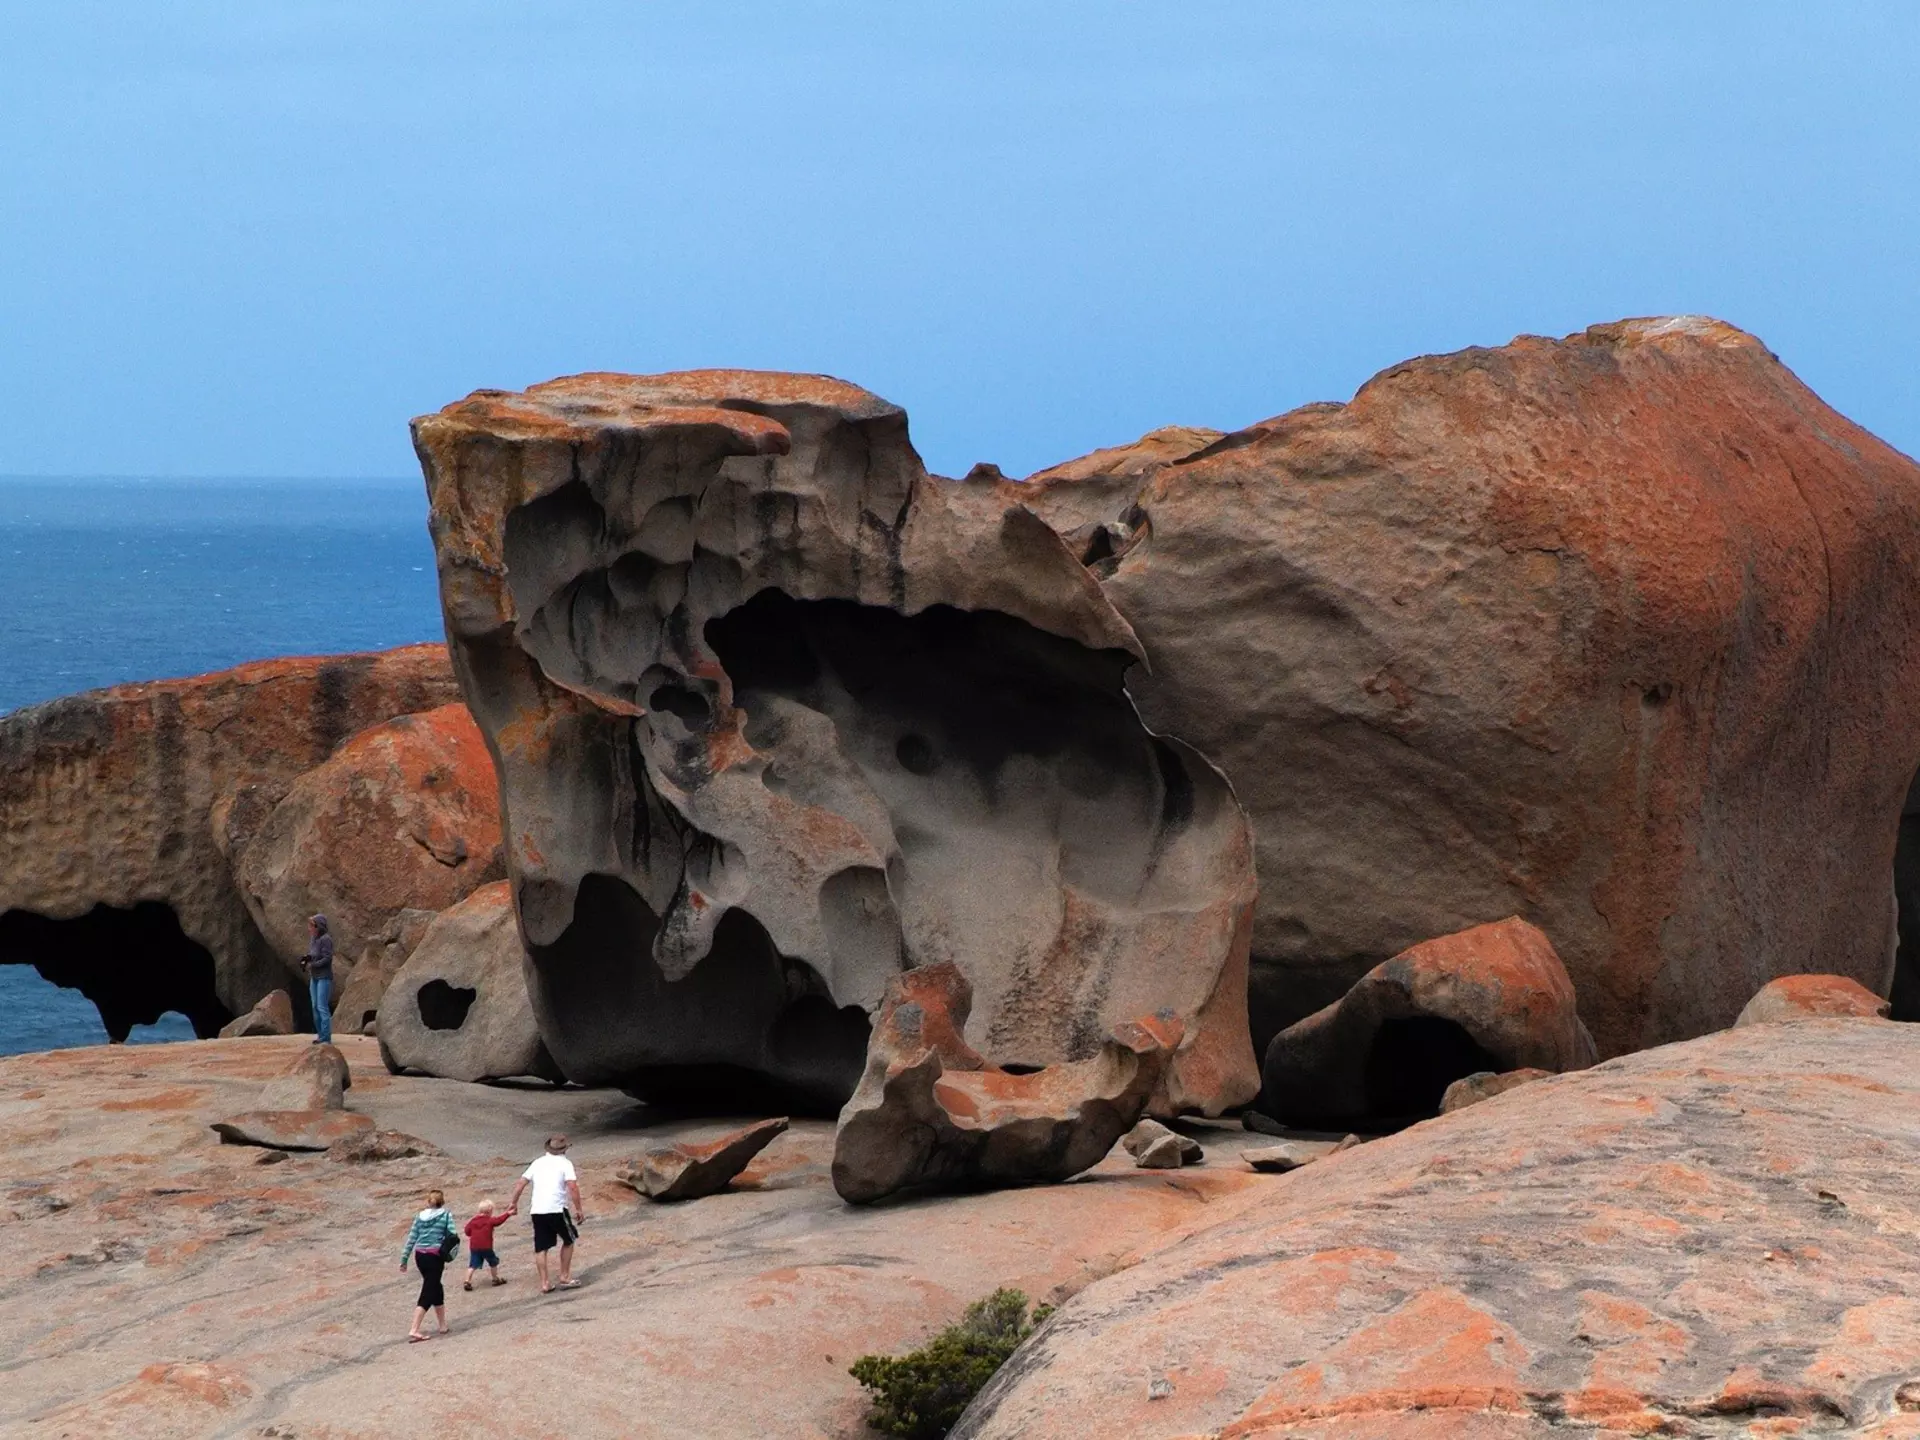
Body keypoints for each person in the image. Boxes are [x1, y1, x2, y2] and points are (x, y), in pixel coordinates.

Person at [508, 1133, 586, 1294]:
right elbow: (572, 1186)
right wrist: (578, 1208)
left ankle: (545, 1283)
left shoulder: (537, 1163)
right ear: (565, 1149)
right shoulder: (565, 1164)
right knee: (569, 1239)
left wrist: (513, 1203)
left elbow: (521, 1183)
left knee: (541, 1247)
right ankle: (564, 1276)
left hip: (537, 1210)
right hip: (557, 1208)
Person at [399, 1188, 459, 1342]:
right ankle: (414, 1329)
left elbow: (412, 1238)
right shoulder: (445, 1215)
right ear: (442, 1202)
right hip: (435, 1257)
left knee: (435, 1286)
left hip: (420, 1256)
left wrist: (404, 1259)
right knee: (428, 1290)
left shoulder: (419, 1217)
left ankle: (443, 1325)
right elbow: (453, 1235)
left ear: (428, 1201)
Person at [462, 1197, 516, 1291]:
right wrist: (508, 1213)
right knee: (493, 1262)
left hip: (474, 1247)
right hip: (486, 1247)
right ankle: (495, 1279)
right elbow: (499, 1220)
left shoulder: (473, 1221)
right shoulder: (489, 1220)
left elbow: (467, 1231)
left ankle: (467, 1281)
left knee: (472, 1265)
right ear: (490, 1211)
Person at [303, 914, 334, 1045]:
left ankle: (326, 1038)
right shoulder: (313, 939)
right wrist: (306, 959)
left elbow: (328, 958)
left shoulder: (326, 939)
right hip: (314, 977)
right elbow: (313, 954)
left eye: (311, 926)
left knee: (322, 1006)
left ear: (318, 926)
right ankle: (321, 1035)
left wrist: (313, 964)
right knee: (315, 1006)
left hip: (324, 977)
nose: (309, 928)